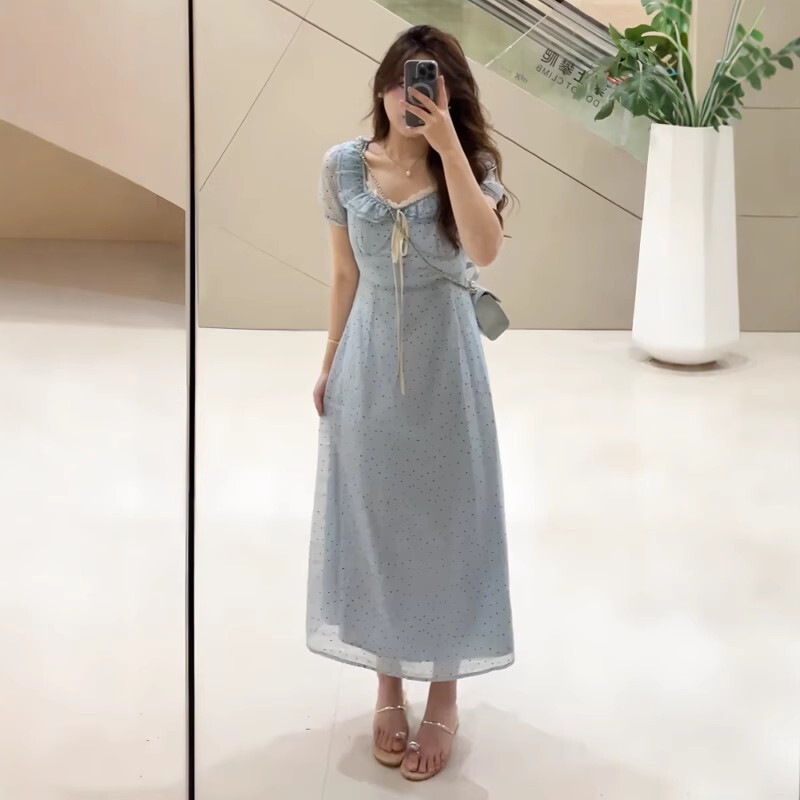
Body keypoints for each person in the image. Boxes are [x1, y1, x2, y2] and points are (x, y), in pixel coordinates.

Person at [307, 24, 514, 782]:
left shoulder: (471, 168)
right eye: (399, 79)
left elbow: (485, 251)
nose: (408, 95)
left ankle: (445, 692)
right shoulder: (342, 167)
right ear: (381, 87)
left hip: (447, 372)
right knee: (376, 522)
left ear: (449, 95)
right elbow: (343, 275)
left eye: (426, 82)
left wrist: (450, 147)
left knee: (449, 525)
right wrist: (329, 362)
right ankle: (388, 682)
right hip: (366, 366)